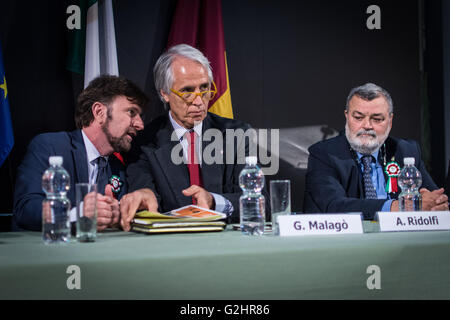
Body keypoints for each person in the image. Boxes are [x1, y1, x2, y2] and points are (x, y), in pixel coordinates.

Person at [120, 44, 259, 231]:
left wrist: (213, 201)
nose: (199, 100)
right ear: (164, 93)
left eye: (204, 87)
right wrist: (144, 195)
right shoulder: (144, 142)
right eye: (187, 91)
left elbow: (257, 200)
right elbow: (146, 195)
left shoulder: (237, 134)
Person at [13, 75, 148, 231]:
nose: (140, 125)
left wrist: (114, 215)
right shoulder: (51, 147)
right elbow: (26, 209)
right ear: (99, 112)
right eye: (131, 112)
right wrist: (78, 214)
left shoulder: (117, 167)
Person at [303, 83, 448, 220]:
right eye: (358, 117)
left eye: (377, 119)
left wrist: (436, 203)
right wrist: (396, 207)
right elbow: (334, 206)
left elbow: (434, 199)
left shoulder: (406, 151)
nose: (367, 125)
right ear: (347, 117)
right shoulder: (324, 154)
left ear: (390, 121)